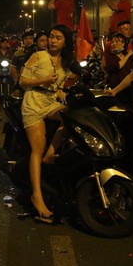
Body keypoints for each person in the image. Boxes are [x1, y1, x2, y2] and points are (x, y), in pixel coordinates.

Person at [20, 24, 77, 221]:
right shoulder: (38, 56)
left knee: (72, 117)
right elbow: (22, 82)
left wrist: (62, 90)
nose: (52, 40)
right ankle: (37, 196)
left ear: (65, 42)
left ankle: (50, 155)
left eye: (58, 38)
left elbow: (61, 85)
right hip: (33, 102)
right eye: (51, 36)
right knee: (37, 148)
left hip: (51, 102)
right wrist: (42, 80)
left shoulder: (66, 62)